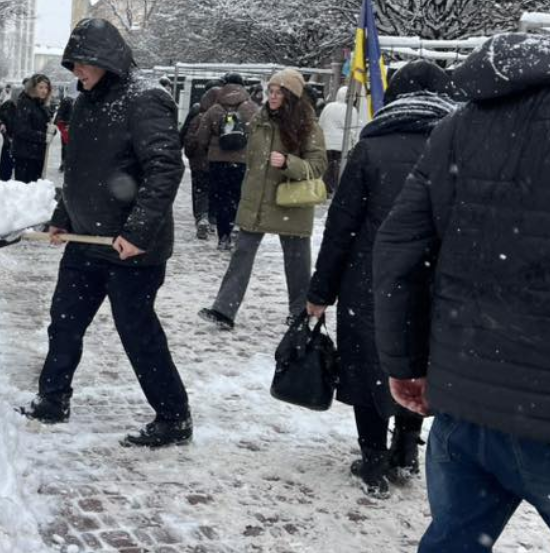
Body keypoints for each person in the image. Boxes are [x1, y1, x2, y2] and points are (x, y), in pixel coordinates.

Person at [374, 34, 550, 551]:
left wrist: (404, 363)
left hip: (464, 401)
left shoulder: (455, 128)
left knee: (453, 542)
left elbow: (399, 252)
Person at [20, 18, 191, 449]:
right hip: (85, 243)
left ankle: (174, 417)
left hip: (130, 249)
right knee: (64, 322)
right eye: (72, 63)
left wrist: (137, 232)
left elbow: (165, 169)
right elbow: (77, 170)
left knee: (137, 333)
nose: (76, 71)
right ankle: (52, 398)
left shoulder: (145, 99)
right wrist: (63, 217)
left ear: (106, 59)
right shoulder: (84, 103)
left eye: (83, 62)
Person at [306, 60, 457, 499]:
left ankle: (372, 459)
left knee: (369, 364)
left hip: (370, 278)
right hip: (434, 281)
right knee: (419, 361)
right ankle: (406, 448)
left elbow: (341, 227)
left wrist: (320, 292)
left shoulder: (371, 147)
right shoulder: (461, 148)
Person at [198, 68, 326, 330]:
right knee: (241, 254)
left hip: (290, 201)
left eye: (280, 92)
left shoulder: (308, 125)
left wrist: (289, 163)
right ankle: (224, 310)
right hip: (256, 200)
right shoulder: (259, 119)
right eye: (271, 91)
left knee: (297, 262)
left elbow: (318, 165)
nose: (273, 96)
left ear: (292, 96)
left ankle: (300, 313)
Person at [194, 76, 257, 251]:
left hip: (218, 161)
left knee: (221, 199)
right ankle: (236, 225)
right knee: (238, 196)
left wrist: (211, 147)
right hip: (242, 161)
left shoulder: (215, 109)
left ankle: (223, 236)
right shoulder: (250, 108)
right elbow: (259, 134)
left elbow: (201, 137)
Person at [181, 81, 222, 240]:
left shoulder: (198, 114)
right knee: (215, 191)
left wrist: (190, 154)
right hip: (218, 162)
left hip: (199, 162)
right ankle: (212, 219)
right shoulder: (225, 115)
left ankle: (201, 217)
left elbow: (189, 138)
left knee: (200, 191)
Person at [9, 74, 53, 182]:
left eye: (46, 88)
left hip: (37, 154)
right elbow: (21, 129)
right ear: (33, 88)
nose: (44, 91)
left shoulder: (40, 105)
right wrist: (43, 137)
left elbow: (42, 125)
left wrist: (51, 130)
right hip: (25, 155)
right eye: (40, 87)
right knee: (26, 187)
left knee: (35, 187)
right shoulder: (25, 103)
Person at [317, 86, 361, 194]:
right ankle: (336, 190)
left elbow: (321, 123)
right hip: (342, 145)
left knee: (327, 167)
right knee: (340, 168)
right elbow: (352, 130)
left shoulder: (328, 107)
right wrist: (354, 144)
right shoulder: (352, 110)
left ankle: (325, 189)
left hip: (327, 143)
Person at [0, 85, 17, 181]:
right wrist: (0, 124)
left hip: (24, 146)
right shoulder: (7, 105)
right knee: (5, 172)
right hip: (8, 142)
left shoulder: (28, 107)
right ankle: (3, 183)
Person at [53, 91, 73, 173]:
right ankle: (65, 164)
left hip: (66, 126)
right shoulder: (69, 102)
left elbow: (59, 115)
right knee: (67, 146)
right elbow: (60, 115)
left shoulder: (66, 102)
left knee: (66, 146)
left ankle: (65, 164)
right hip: (67, 126)